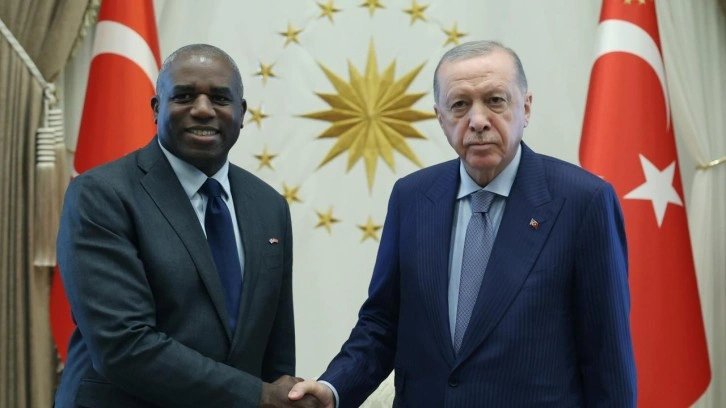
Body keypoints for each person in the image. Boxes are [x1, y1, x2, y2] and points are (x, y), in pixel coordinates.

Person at [289, 40, 637, 407]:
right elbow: (382, 324)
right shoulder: (412, 198)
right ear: (440, 118)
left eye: (495, 100)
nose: (478, 120)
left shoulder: (583, 202)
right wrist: (333, 388)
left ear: (525, 108)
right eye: (459, 105)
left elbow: (607, 357)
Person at [54, 44, 319, 407]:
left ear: (241, 113)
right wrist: (258, 396)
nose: (203, 109)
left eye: (220, 98)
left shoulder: (268, 205)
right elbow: (123, 344)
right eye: (184, 96)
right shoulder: (101, 195)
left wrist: (282, 397)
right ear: (156, 108)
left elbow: (276, 349)